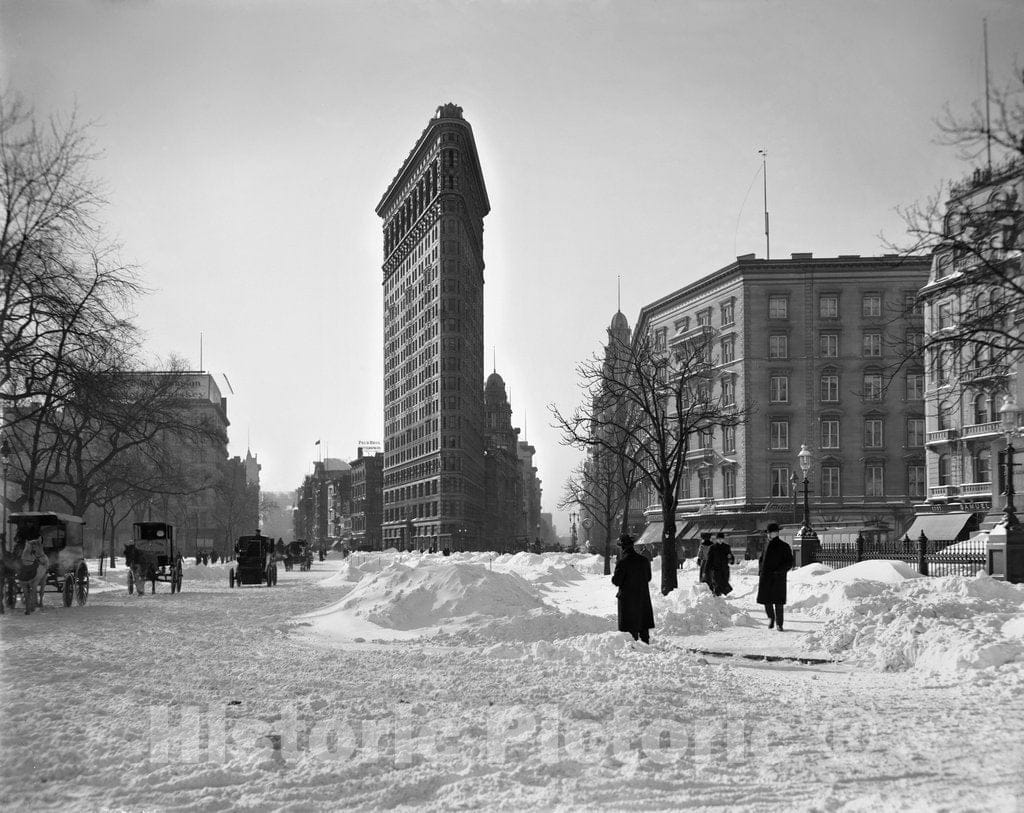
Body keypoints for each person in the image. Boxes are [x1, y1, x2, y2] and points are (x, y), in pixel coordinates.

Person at [611, 534, 655, 644]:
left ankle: (633, 650)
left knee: (630, 630)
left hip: (627, 599)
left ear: (622, 548)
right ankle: (646, 645)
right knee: (643, 625)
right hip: (642, 597)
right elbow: (648, 578)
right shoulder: (644, 560)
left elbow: (617, 581)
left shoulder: (622, 562)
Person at [757, 523, 794, 631]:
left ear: (776, 533)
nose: (768, 535)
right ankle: (771, 618)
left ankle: (779, 624)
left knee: (778, 602)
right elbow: (761, 559)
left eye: (770, 533)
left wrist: (779, 571)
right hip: (766, 577)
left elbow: (789, 562)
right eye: (768, 533)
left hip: (778, 578)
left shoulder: (784, 546)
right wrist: (760, 571)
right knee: (766, 601)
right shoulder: (766, 544)